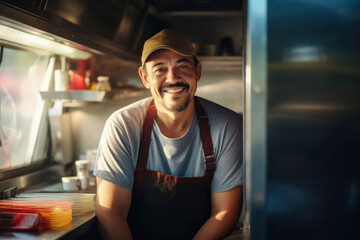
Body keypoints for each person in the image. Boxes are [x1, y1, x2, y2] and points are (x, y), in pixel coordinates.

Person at [94, 29, 243, 240]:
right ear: (145, 78)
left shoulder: (228, 126)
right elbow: (111, 212)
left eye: (182, 66)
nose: (172, 78)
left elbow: (224, 213)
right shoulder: (123, 126)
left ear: (197, 71)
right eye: (159, 69)